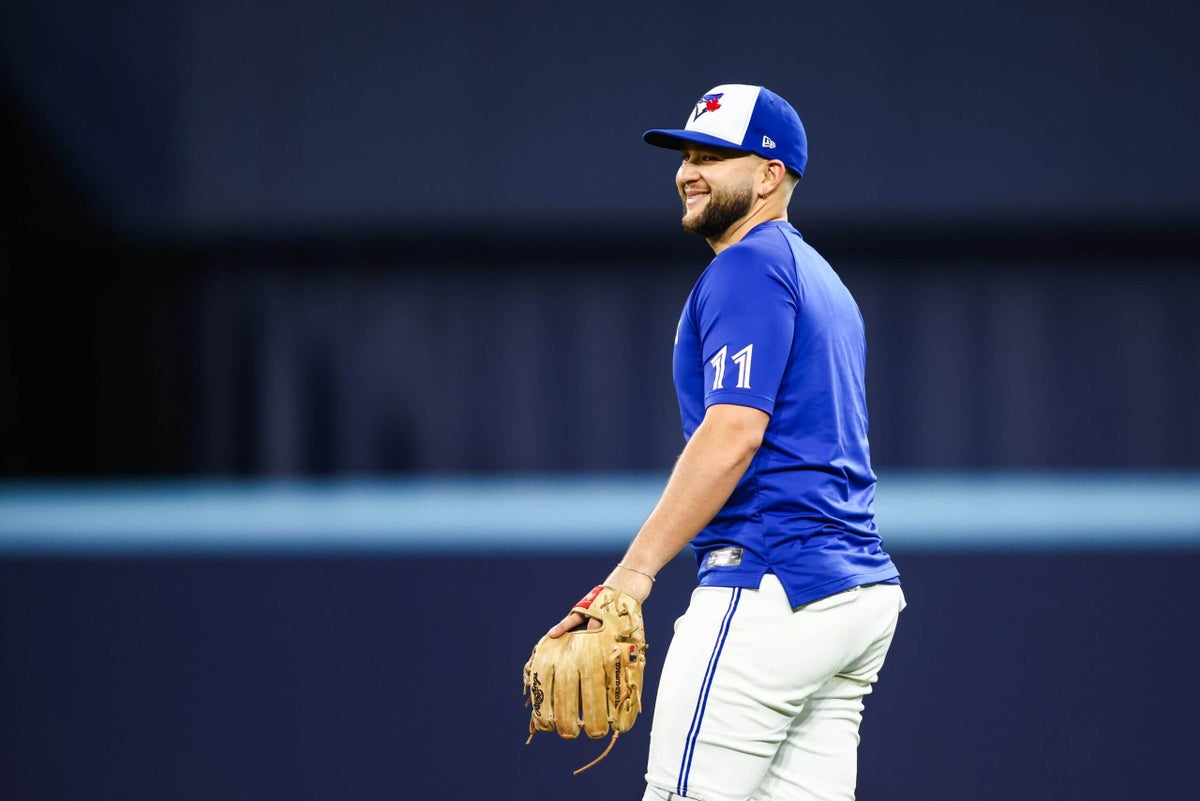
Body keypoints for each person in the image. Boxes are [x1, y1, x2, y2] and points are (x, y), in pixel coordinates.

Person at [547, 84, 904, 801]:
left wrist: (632, 575)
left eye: (715, 154)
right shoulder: (823, 279)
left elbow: (736, 432)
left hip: (770, 583)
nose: (689, 170)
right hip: (851, 594)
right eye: (686, 153)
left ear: (771, 175)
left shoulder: (747, 265)